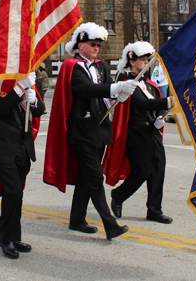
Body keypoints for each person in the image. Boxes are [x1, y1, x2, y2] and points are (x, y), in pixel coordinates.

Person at [44, 22, 137, 240]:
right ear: (80, 45)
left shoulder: (101, 66)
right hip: (82, 131)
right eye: (92, 44)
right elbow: (83, 89)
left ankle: (77, 219)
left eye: (98, 45)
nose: (96, 48)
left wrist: (118, 95)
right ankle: (110, 224)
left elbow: (105, 92)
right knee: (95, 178)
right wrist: (114, 88)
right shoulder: (71, 65)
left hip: (100, 129)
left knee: (87, 179)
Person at [104, 42, 174, 224]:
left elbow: (155, 102)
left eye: (147, 59)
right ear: (132, 61)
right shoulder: (127, 83)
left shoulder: (149, 84)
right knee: (142, 171)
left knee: (158, 169)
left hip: (152, 131)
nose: (146, 62)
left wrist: (160, 118)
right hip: (135, 133)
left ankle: (154, 210)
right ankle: (119, 195)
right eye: (142, 59)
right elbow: (141, 104)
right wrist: (167, 102)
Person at [0, 73, 45, 259]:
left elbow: (40, 110)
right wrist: (18, 89)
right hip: (2, 147)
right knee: (13, 191)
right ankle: (5, 238)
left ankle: (15, 237)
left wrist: (33, 101)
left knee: (18, 195)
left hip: (23, 147)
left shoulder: (28, 81)